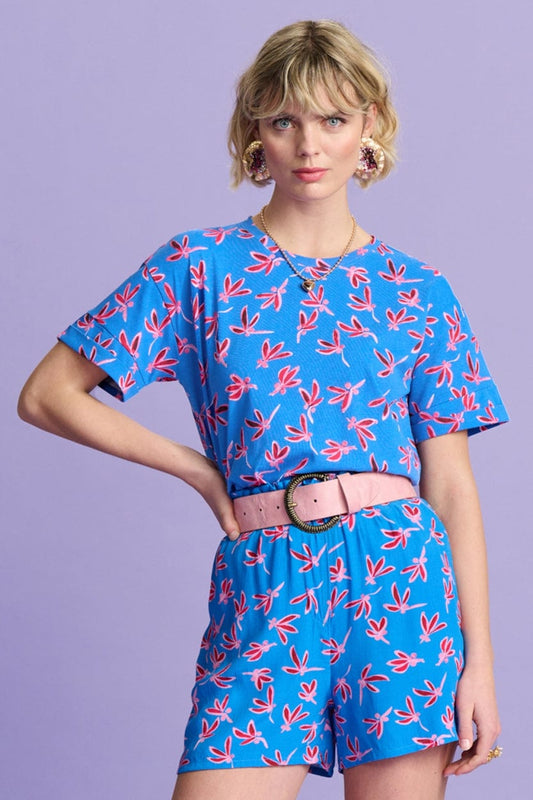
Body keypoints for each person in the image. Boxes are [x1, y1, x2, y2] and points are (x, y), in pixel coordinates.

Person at [18, 19, 508, 800]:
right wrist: (196, 471)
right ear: (255, 132)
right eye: (284, 121)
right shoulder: (197, 267)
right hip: (267, 584)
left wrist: (478, 664)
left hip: (402, 589)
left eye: (332, 119)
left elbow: (451, 485)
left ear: (369, 125)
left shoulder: (419, 290)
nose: (308, 145)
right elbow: (46, 395)